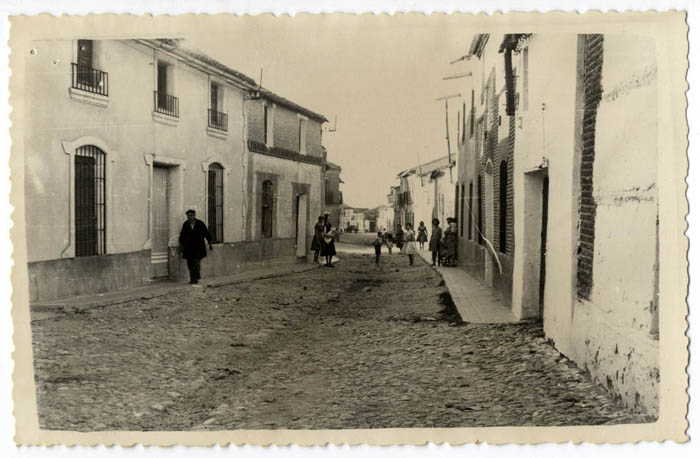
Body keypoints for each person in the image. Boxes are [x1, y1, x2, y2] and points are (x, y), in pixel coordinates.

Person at [178, 209, 213, 286]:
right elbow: (182, 236)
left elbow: (206, 233)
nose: (189, 217)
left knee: (196, 262)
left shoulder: (200, 223)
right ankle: (193, 279)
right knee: (190, 264)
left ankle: (196, 277)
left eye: (191, 216)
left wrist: (210, 243)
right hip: (188, 248)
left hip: (198, 248)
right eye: (188, 216)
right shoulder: (185, 224)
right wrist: (182, 246)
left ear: (194, 215)